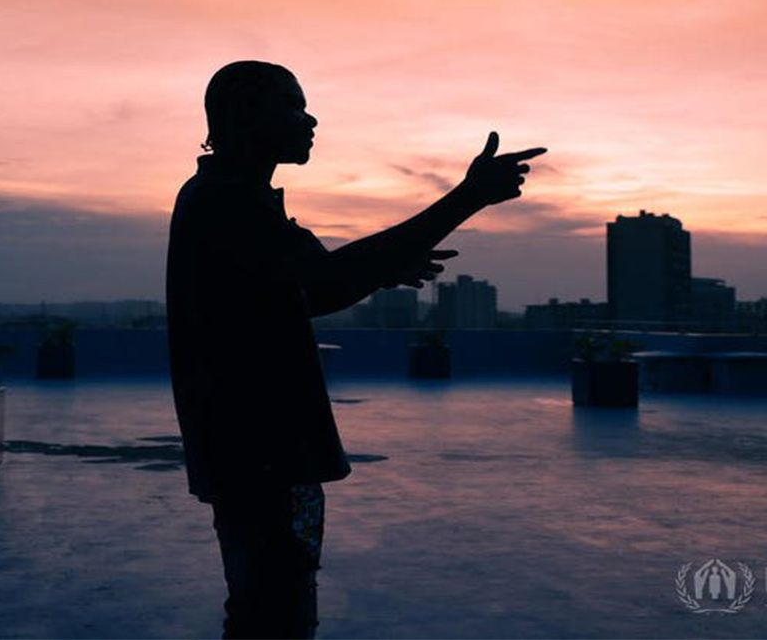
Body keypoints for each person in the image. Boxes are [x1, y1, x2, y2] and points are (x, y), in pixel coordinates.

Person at [166, 60, 544, 639]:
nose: (309, 118)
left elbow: (306, 285)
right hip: (258, 447)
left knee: (270, 600)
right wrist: (467, 197)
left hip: (256, 446)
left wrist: (384, 269)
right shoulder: (225, 203)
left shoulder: (234, 199)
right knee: (274, 609)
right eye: (292, 105)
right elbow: (325, 282)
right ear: (247, 117)